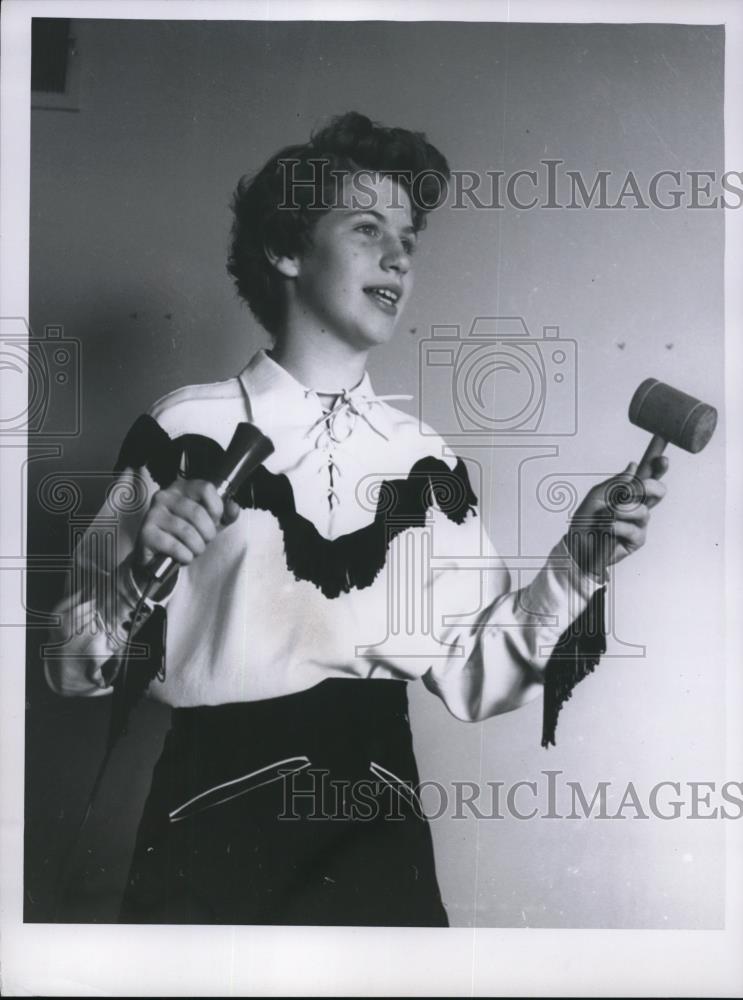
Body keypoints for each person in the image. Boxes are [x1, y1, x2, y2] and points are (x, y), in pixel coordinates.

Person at [45, 111, 668, 926]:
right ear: (286, 249)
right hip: (209, 821)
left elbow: (476, 677)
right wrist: (132, 573)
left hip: (376, 825)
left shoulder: (426, 461)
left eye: (408, 235)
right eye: (366, 227)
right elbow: (67, 664)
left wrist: (579, 558)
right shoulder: (181, 431)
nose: (399, 254)